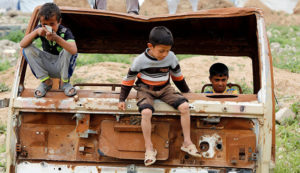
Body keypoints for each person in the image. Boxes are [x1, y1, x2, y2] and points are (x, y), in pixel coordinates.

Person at [118, 26, 201, 166]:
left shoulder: (171, 57)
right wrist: (122, 99)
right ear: (150, 46)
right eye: (161, 51)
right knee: (146, 111)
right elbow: (128, 80)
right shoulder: (140, 61)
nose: (164, 54)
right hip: (145, 89)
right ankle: (149, 149)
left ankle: (187, 142)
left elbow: (177, 77)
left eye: (168, 50)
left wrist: (187, 93)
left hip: (165, 88)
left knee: (185, 106)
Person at [20, 3, 78, 98]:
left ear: (59, 21)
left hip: (63, 66)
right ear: (41, 23)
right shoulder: (39, 29)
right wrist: (36, 32)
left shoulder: (64, 31)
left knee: (68, 50)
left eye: (52, 24)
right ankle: (46, 82)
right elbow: (22, 44)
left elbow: (74, 50)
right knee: (27, 49)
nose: (48, 27)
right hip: (47, 65)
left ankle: (65, 83)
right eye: (45, 24)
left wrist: (57, 39)